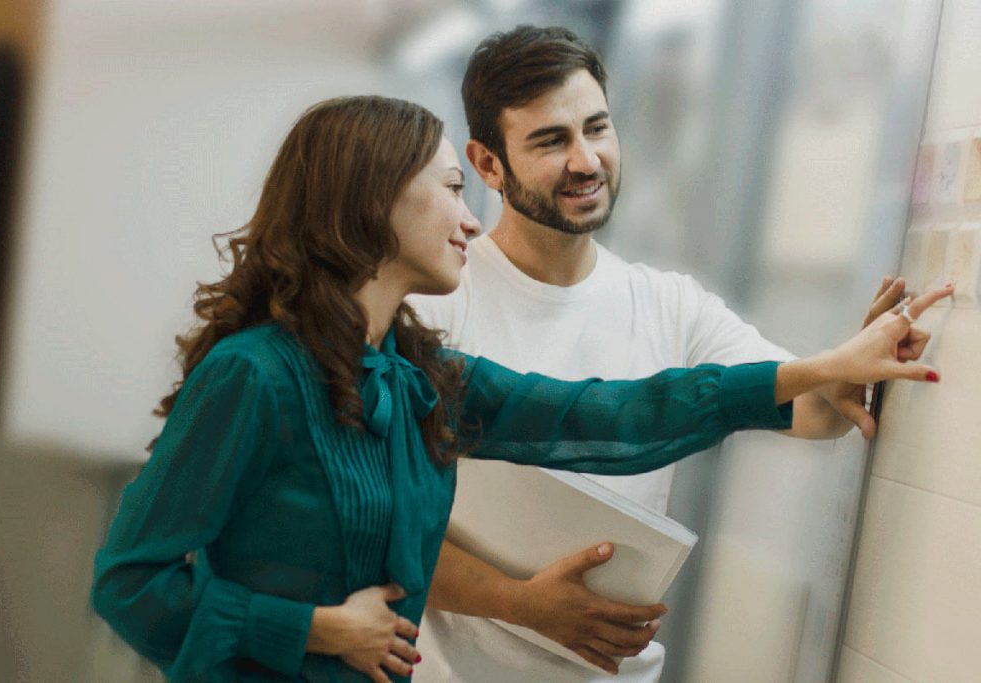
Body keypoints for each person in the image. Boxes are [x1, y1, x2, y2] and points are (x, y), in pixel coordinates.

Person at [90, 94, 947, 683]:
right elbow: (129, 583)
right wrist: (311, 628)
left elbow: (613, 413)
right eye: (453, 190)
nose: (470, 220)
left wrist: (821, 368)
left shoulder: (417, 378)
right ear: (372, 202)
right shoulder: (255, 376)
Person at [409, 25, 929, 682]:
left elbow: (815, 414)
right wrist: (521, 604)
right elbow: (382, 530)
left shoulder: (669, 304)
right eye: (551, 141)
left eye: (596, 128)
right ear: (486, 164)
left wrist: (853, 364)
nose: (585, 159)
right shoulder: (437, 302)